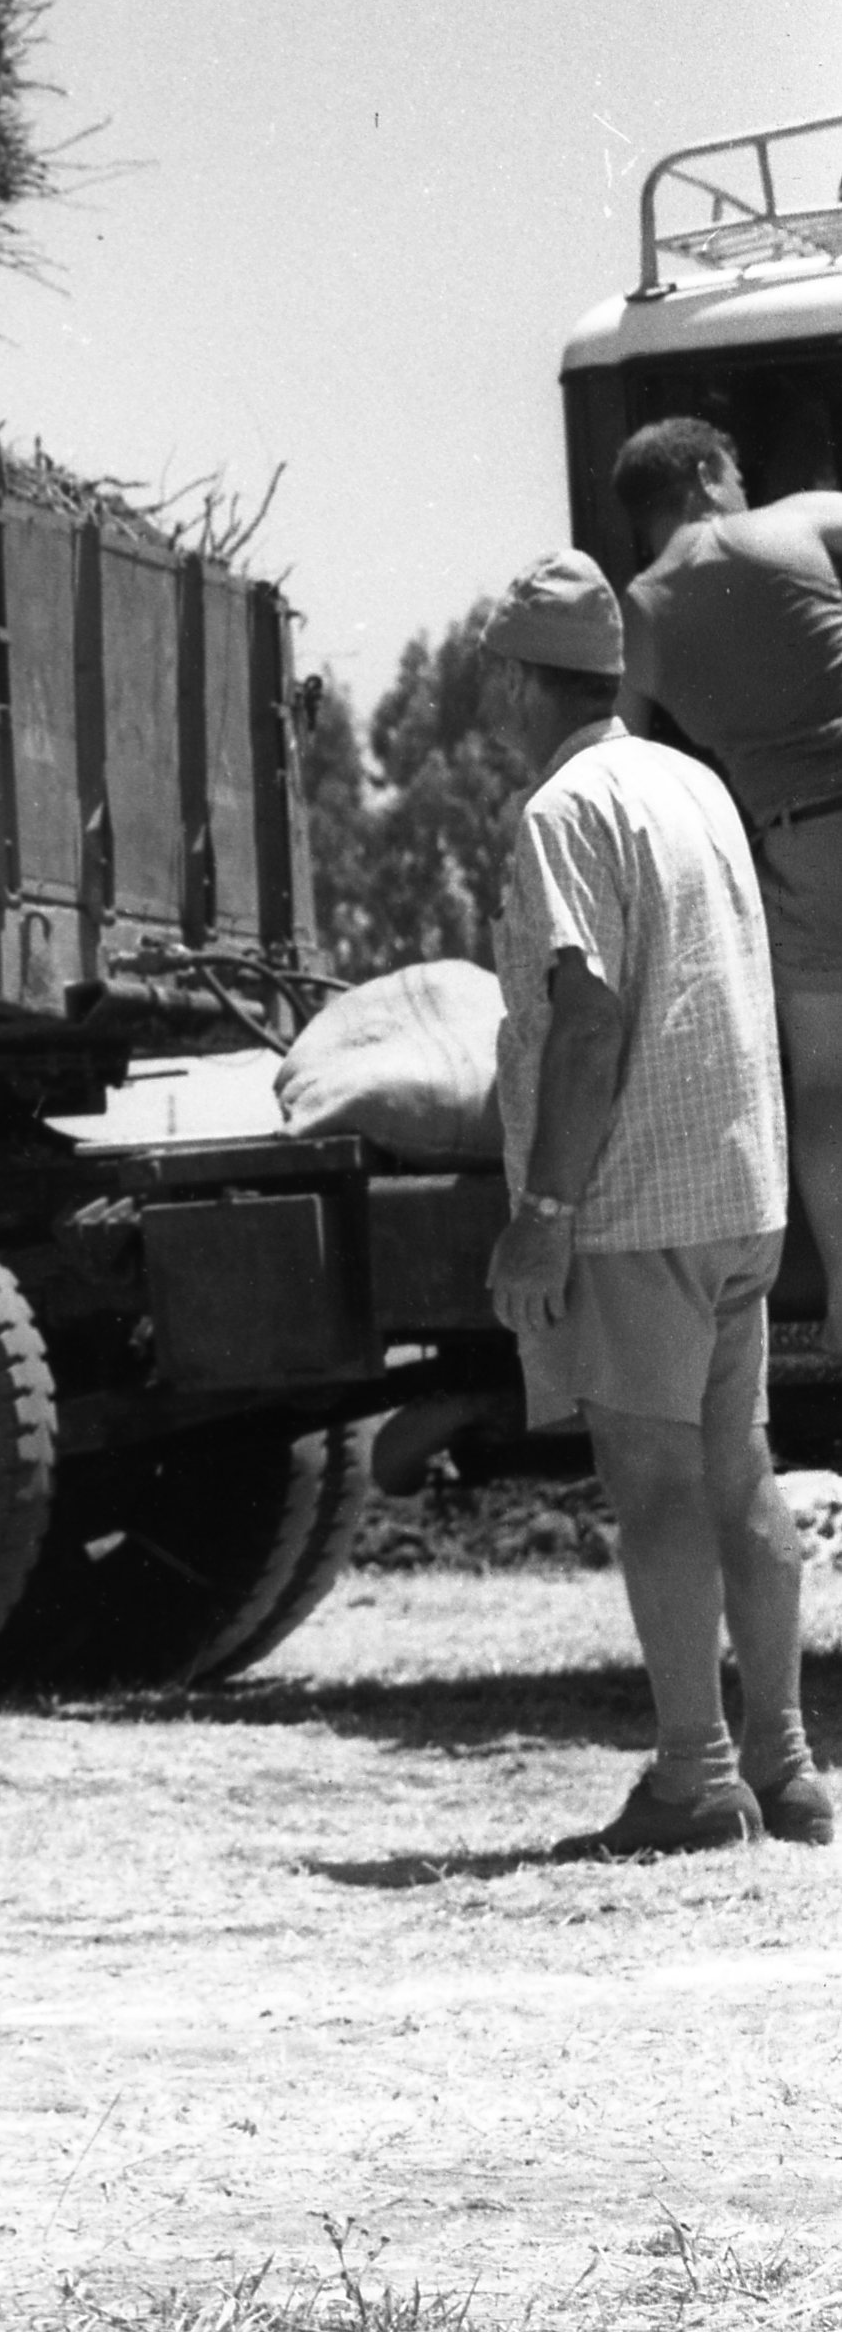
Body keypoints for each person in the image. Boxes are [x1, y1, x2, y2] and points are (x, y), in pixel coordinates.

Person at [477, 542, 815, 1852]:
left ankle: (690, 1774)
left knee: (654, 1482)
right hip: (740, 1189)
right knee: (738, 1476)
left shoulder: (560, 814)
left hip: (633, 1206)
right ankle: (783, 1769)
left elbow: (584, 1021)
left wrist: (541, 1211)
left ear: (519, 683)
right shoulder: (691, 783)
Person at [616, 413, 842, 1288]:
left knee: (823, 1081)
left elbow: (619, 764)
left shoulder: (636, 614)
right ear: (708, 474)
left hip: (794, 850)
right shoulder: (798, 523)